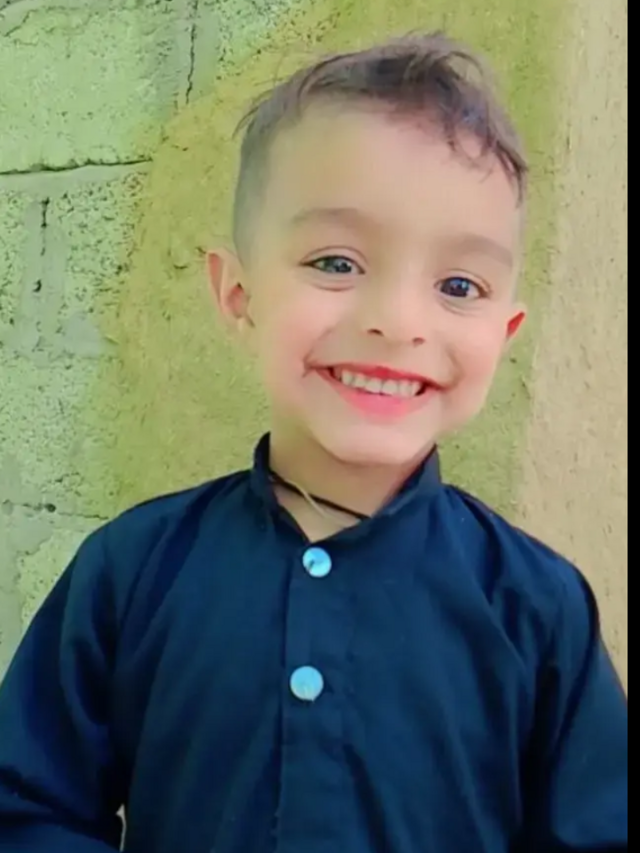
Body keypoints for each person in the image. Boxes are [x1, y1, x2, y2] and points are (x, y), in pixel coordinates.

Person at [0, 32, 628, 853]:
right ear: (238, 295)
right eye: (336, 262)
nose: (397, 321)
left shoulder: (537, 608)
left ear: (504, 334)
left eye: (458, 284)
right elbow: (26, 808)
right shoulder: (131, 571)